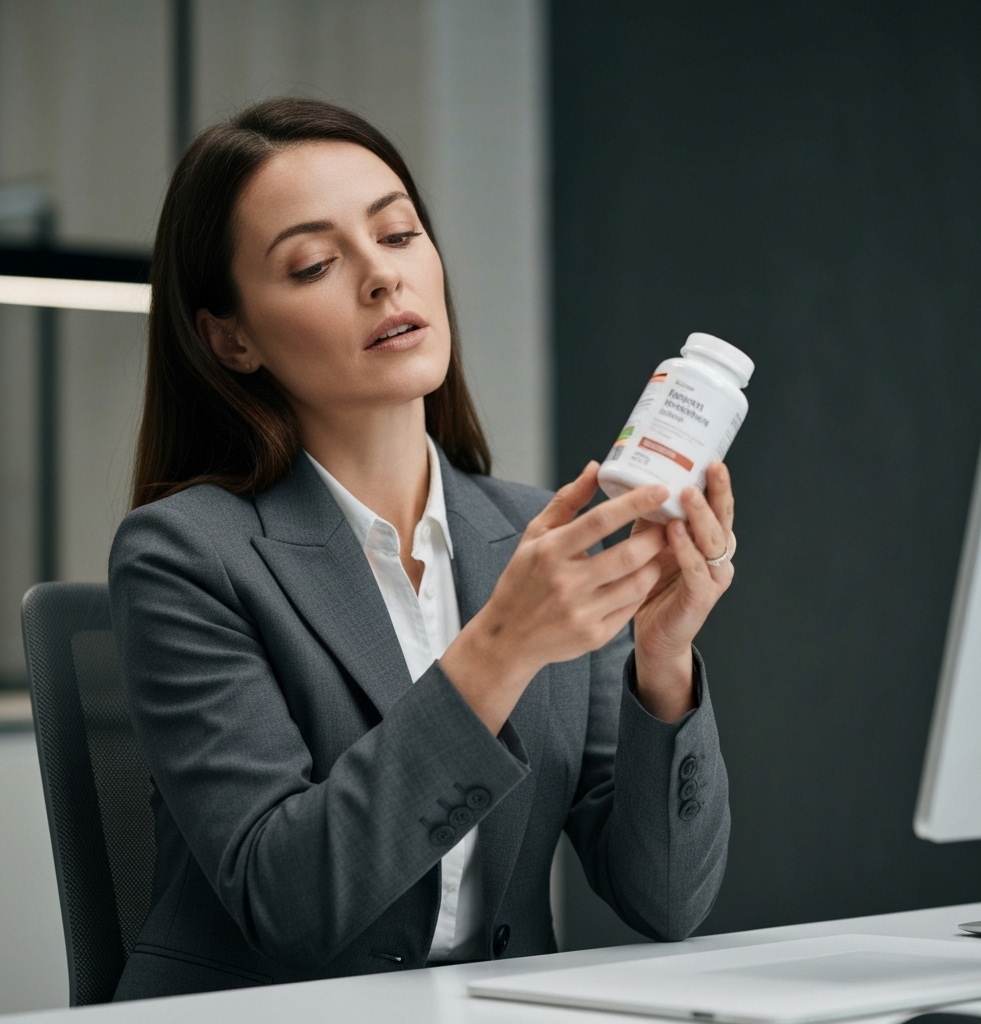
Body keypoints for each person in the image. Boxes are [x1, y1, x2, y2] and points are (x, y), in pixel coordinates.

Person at [109, 97, 735, 1001]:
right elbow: (291, 904)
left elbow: (666, 899)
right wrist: (502, 647)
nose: (381, 278)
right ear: (230, 338)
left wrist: (663, 662)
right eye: (315, 264)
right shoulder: (184, 555)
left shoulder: (537, 537)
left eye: (399, 234)